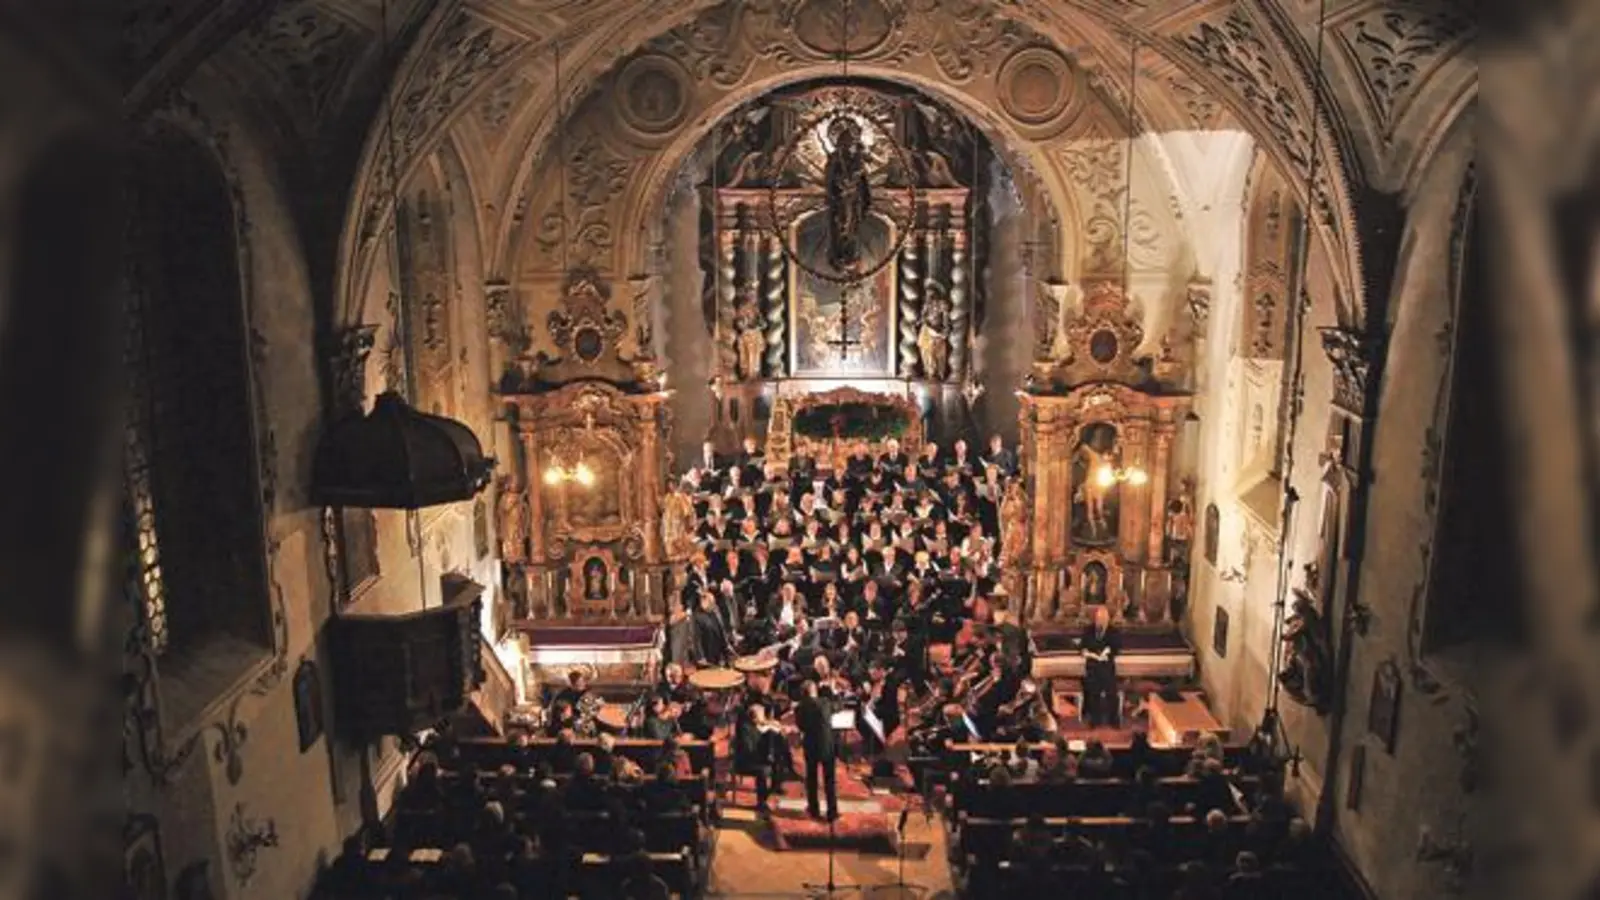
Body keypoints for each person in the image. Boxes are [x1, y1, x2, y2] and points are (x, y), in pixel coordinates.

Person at [795, 679, 840, 820]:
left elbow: (801, 726)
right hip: (826, 744)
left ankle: (814, 809)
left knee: (811, 778)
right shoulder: (825, 702)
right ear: (814, 691)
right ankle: (832, 812)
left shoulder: (799, 707)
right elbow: (839, 706)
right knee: (829, 779)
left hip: (810, 744)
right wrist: (833, 691)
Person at [1080, 605, 1121, 727]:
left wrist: (1108, 652)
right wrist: (1088, 653)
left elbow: (1116, 647)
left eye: (1103, 617)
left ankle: (1113, 720)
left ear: (1108, 618)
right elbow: (1082, 647)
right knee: (1093, 694)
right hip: (1092, 667)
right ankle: (1095, 720)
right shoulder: (1088, 630)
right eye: (1099, 617)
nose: (1101, 619)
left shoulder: (1113, 631)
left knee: (1112, 694)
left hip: (1107, 667)